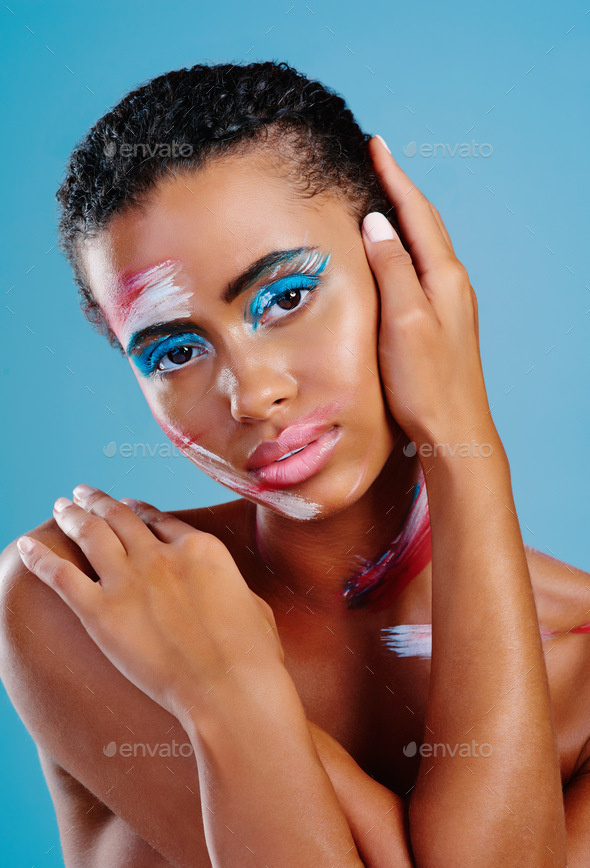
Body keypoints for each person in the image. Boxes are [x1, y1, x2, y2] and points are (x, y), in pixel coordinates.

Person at [0, 59, 586, 866]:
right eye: (174, 351)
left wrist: (464, 436)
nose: (252, 393)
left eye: (284, 298)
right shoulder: (86, 595)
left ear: (409, 271)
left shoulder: (582, 651)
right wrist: (230, 688)